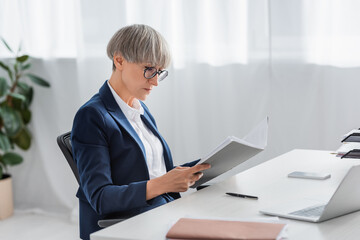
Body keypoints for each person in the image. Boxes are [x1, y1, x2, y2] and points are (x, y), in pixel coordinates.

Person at [71, 24, 211, 240]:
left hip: (159, 208)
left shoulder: (138, 107)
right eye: (149, 69)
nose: (155, 81)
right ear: (119, 61)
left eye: (160, 72)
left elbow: (148, 171)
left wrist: (202, 166)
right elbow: (100, 197)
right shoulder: (92, 116)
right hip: (128, 221)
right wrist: (163, 184)